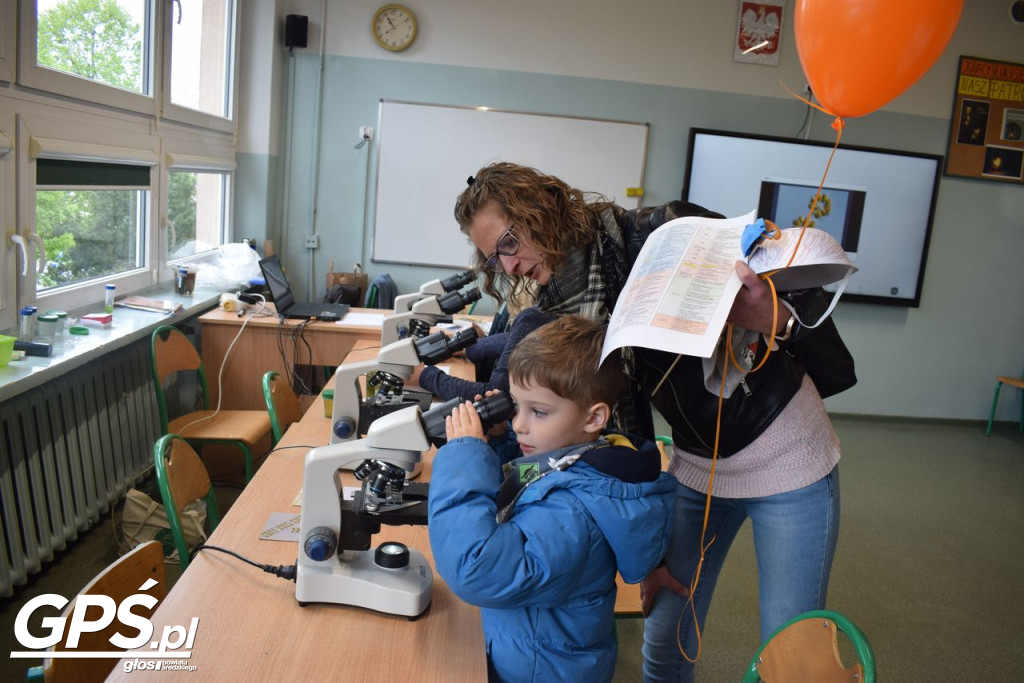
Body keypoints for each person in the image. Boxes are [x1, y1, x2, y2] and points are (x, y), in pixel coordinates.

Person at [453, 162, 844, 682]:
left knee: (793, 654)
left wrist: (773, 319)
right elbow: (613, 410)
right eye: (492, 259)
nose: (508, 266)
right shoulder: (564, 300)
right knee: (664, 632)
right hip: (696, 464)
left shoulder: (661, 234)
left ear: (540, 210)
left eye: (508, 243)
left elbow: (803, 306)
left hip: (787, 456)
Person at [428, 315, 677, 682]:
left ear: (594, 418)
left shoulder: (574, 512)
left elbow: (475, 570)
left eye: (538, 412)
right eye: (516, 406)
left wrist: (463, 456)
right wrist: (498, 445)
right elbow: (528, 480)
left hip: (539, 670)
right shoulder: (579, 460)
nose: (519, 424)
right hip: (532, 651)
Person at [416, 305, 554, 402]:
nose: (510, 268)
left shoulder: (537, 316)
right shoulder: (538, 315)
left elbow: (495, 396)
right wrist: (471, 348)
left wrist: (425, 376)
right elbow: (514, 338)